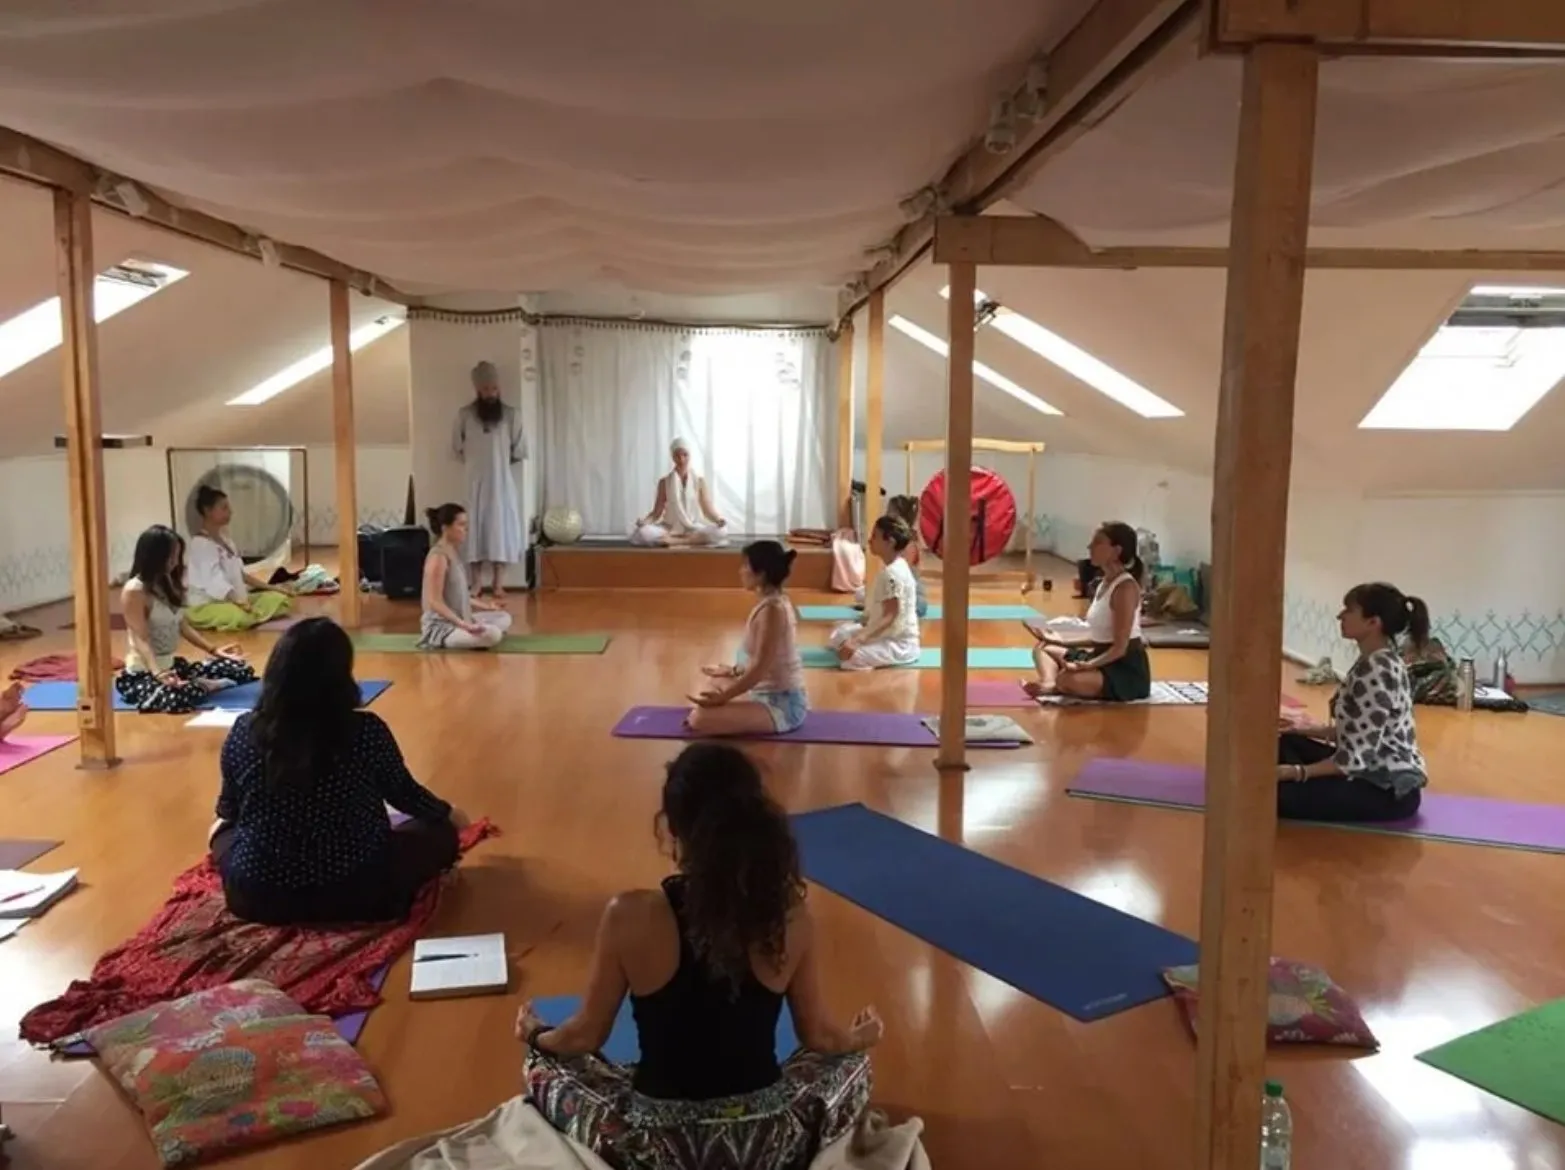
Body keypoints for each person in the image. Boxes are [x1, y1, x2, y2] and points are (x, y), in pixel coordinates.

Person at [517, 743, 878, 1170]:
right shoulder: (789, 917)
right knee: (850, 1064)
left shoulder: (629, 914)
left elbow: (584, 1037)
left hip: (654, 1148)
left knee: (546, 1065)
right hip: (765, 1142)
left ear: (673, 825)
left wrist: (535, 1036)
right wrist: (860, 1039)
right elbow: (820, 1036)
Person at [210, 617, 468, 925]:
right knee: (439, 832)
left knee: (222, 834)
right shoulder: (365, 731)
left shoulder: (244, 731)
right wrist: (448, 813)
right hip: (358, 893)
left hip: (258, 896)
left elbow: (230, 809)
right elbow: (405, 795)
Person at [1275, 583, 1429, 823]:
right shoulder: (1373, 660)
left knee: (1274, 795)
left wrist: (1297, 773)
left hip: (1385, 789)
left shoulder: (1378, 672)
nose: (1340, 616)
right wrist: (1300, 728)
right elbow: (1358, 734)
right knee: (1286, 742)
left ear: (1373, 622)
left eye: (1349, 610)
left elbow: (1354, 758)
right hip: (1365, 769)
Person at [117, 524, 257, 714]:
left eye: (177, 555)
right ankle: (203, 684)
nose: (175, 562)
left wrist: (214, 650)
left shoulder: (168, 582)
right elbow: (141, 638)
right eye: (171, 556)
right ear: (155, 556)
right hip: (145, 670)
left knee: (240, 670)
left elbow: (182, 624)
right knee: (177, 698)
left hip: (172, 665)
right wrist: (157, 673)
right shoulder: (134, 591)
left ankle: (198, 682)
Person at [688, 541, 808, 736]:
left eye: (745, 565)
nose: (740, 571)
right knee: (713, 684)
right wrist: (732, 671)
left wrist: (723, 698)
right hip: (762, 692)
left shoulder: (773, 610)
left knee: (700, 719)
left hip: (782, 705)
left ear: (760, 574)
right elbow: (764, 661)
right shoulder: (769, 603)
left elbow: (760, 668)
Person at [1024, 521, 1152, 702]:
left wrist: (1086, 666)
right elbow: (1100, 637)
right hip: (1100, 655)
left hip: (1123, 668)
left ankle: (1057, 684)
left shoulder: (1125, 588)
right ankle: (1049, 683)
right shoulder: (1103, 583)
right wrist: (1060, 641)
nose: (1089, 547)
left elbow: (1119, 648)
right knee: (1044, 648)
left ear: (1116, 551)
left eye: (1097, 542)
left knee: (1068, 679)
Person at [452, 360, 527, 598]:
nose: (491, 394)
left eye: (494, 388)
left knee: (500, 530)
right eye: (486, 390)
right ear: (478, 390)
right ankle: (475, 584)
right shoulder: (465, 415)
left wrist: (497, 467)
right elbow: (457, 447)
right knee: (472, 530)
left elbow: (519, 449)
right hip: (474, 484)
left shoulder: (511, 415)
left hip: (501, 484)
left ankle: (498, 583)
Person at [185, 486, 294, 631]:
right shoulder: (200, 544)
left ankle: (252, 613)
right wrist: (238, 601)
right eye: (224, 508)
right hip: (207, 605)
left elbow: (242, 576)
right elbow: (214, 582)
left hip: (236, 599)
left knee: (279, 600)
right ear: (207, 511)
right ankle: (247, 614)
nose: (230, 512)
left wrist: (273, 588)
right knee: (241, 616)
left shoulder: (226, 540)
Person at [827, 516, 921, 670]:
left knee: (850, 660)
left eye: (875, 536)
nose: (870, 541)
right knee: (840, 635)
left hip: (899, 643)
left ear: (890, 542)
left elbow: (890, 616)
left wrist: (859, 639)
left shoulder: (893, 573)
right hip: (885, 633)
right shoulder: (895, 566)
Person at [420, 504, 514, 650]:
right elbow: (434, 602)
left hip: (462, 619)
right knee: (493, 634)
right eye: (461, 524)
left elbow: (460, 596)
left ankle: (472, 633)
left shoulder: (452, 551)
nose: (466, 529)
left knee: (503, 617)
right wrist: (464, 625)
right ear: (446, 528)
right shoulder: (438, 557)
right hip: (443, 628)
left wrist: (488, 606)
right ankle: (468, 635)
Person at [631, 438, 728, 547]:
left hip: (692, 527)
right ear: (673, 457)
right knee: (642, 533)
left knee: (722, 531)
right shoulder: (664, 482)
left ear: (690, 455)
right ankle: (689, 540)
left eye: (685, 455)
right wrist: (644, 522)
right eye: (677, 456)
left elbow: (707, 510)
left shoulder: (699, 481)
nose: (681, 459)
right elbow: (656, 513)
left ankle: (679, 541)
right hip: (669, 528)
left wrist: (719, 520)